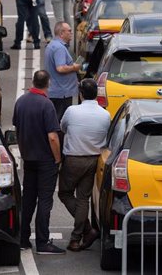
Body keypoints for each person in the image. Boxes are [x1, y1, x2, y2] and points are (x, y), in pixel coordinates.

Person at [12, 70, 65, 255]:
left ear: (33, 81)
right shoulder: (46, 105)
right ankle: (43, 242)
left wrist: (24, 151)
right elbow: (52, 137)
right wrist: (57, 159)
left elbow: (17, 130)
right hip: (45, 161)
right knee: (44, 200)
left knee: (28, 200)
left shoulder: (21, 102)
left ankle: (23, 239)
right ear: (48, 83)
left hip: (29, 159)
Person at [58, 78, 110, 252]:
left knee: (65, 193)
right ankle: (76, 238)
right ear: (96, 94)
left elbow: (63, 128)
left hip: (73, 158)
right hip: (94, 159)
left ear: (80, 94)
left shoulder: (72, 111)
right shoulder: (105, 114)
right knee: (83, 198)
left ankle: (87, 229)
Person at [45, 22, 80, 121]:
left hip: (56, 90)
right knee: (60, 121)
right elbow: (60, 68)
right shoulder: (59, 48)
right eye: (69, 31)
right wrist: (74, 67)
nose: (71, 33)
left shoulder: (52, 45)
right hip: (62, 93)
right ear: (61, 33)